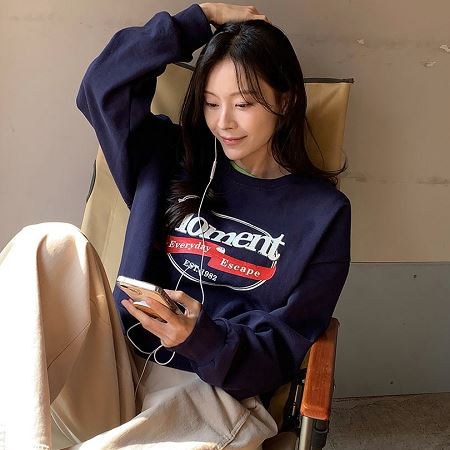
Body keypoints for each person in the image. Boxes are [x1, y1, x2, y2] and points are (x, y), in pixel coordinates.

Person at [0, 3, 351, 449]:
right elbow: (102, 86)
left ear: (285, 100)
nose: (223, 122)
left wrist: (201, 338)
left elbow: (285, 348)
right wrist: (199, 17)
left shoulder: (323, 213)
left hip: (217, 393)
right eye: (210, 103)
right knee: (48, 242)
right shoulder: (168, 156)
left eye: (243, 104)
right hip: (119, 364)